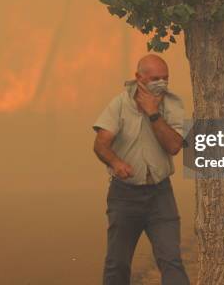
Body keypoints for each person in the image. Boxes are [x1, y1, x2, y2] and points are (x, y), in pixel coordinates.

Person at [92, 54, 190, 285]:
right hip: (125, 195)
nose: (162, 83)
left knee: (171, 260)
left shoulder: (172, 103)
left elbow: (174, 146)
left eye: (165, 78)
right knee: (117, 263)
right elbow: (100, 144)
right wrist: (116, 163)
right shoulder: (119, 104)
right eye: (155, 78)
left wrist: (153, 113)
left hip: (160, 195)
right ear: (139, 78)